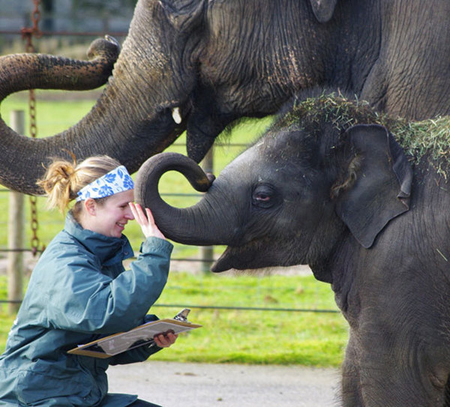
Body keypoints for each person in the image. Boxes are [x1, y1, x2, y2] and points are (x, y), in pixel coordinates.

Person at [0, 155, 177, 407]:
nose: (130, 215)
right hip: (35, 398)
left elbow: (100, 342)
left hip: (76, 395)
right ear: (92, 206)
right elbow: (107, 313)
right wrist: (154, 253)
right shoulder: (65, 262)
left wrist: (149, 337)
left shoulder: (100, 255)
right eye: (123, 206)